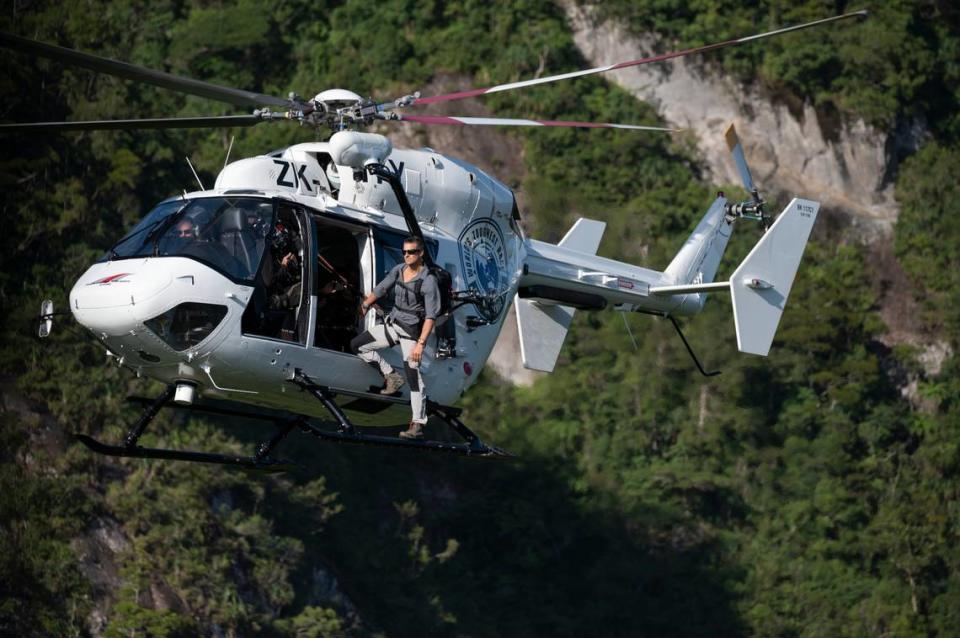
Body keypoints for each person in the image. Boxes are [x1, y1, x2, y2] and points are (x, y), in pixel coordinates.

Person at [351, 236, 439, 440]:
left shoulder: (428, 281)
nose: (408, 256)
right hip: (393, 325)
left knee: (413, 376)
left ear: (421, 253)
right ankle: (390, 375)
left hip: (411, 333)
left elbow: (430, 317)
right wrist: (366, 304)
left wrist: (420, 345)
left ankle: (417, 423)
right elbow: (382, 288)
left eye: (412, 252)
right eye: (405, 252)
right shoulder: (399, 270)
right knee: (357, 345)